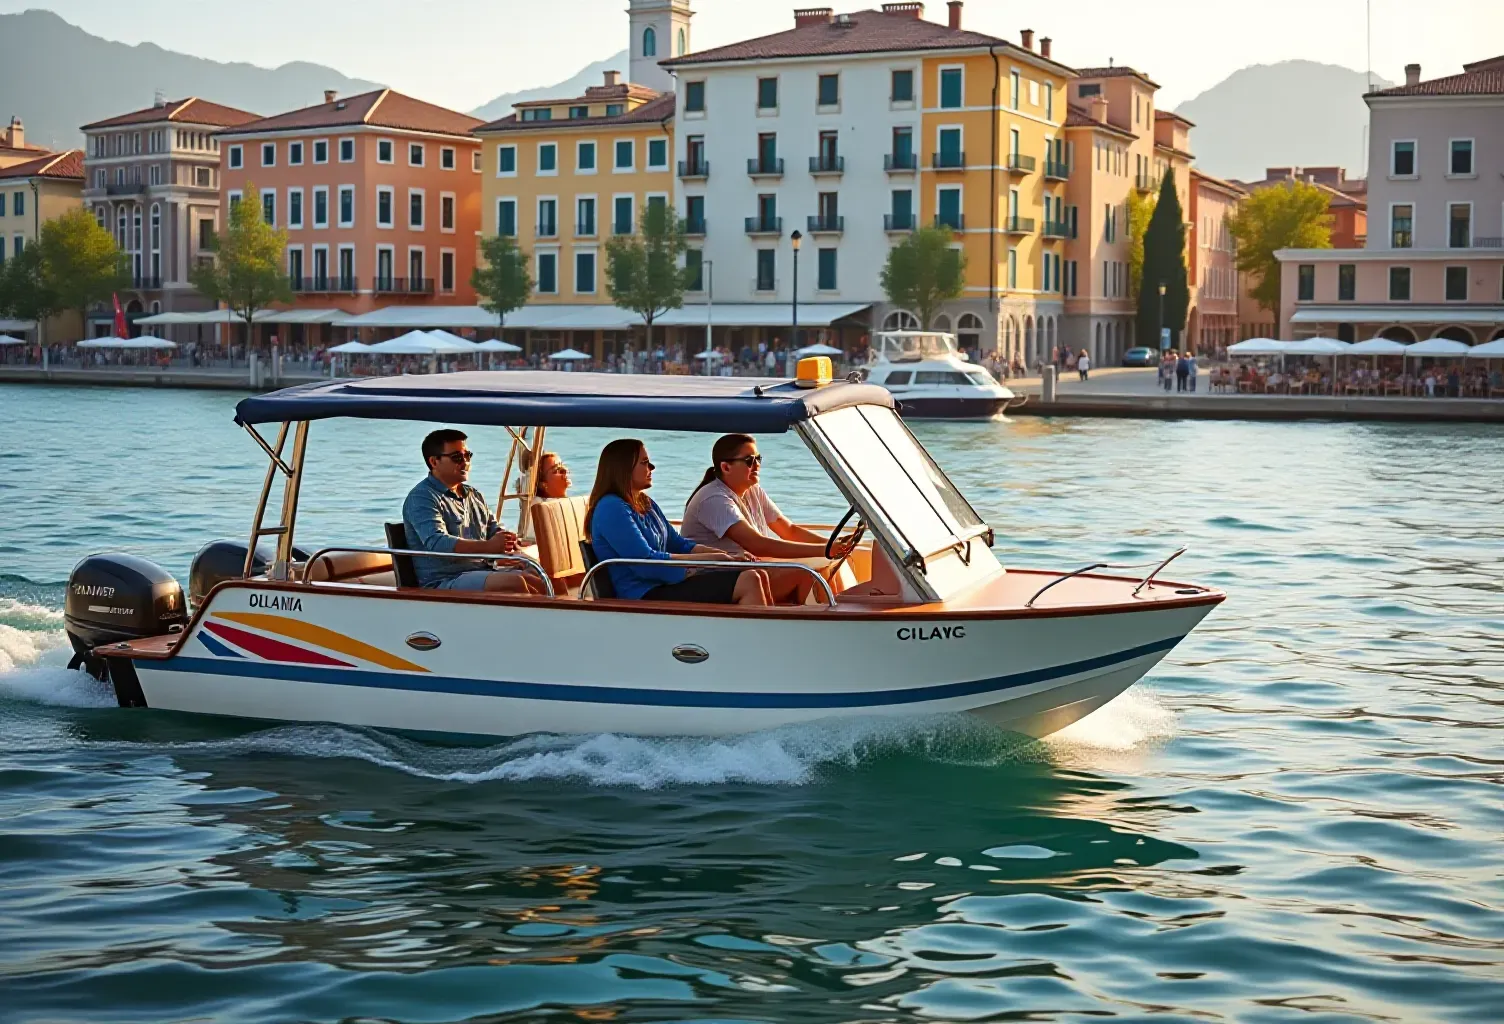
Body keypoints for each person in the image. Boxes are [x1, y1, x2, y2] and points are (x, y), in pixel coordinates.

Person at [585, 438, 771, 605]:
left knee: (758, 574)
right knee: (749, 580)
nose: (652, 467)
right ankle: (758, 641)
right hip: (642, 594)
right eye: (644, 463)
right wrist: (711, 561)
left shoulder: (644, 502)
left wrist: (725, 557)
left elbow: (678, 544)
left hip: (665, 583)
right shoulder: (611, 508)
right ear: (623, 468)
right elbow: (646, 563)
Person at [682, 434, 856, 604]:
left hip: (746, 569)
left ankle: (841, 610)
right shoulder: (714, 499)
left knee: (829, 564)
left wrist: (834, 546)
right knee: (808, 572)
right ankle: (820, 623)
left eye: (759, 459)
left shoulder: (753, 490)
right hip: (717, 578)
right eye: (749, 461)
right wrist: (825, 550)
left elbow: (788, 530)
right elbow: (757, 545)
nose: (756, 465)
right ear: (726, 467)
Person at [403, 429, 544, 593]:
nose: (465, 462)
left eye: (467, 455)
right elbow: (438, 543)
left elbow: (493, 529)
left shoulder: (474, 495)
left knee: (539, 572)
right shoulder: (422, 497)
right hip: (445, 581)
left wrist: (506, 540)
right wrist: (489, 546)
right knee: (516, 582)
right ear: (434, 462)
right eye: (457, 457)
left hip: (481, 571)